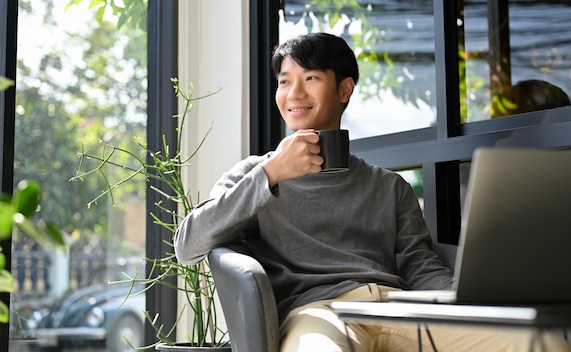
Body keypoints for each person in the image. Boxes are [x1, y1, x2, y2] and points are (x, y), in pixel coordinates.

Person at [175, 33, 570, 351]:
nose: (293, 94)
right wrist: (271, 174)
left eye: (310, 78)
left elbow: (420, 264)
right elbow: (188, 245)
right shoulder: (254, 174)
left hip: (397, 309)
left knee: (543, 342)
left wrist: (462, 302)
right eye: (284, 82)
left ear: (344, 89)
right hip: (317, 314)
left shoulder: (388, 185)